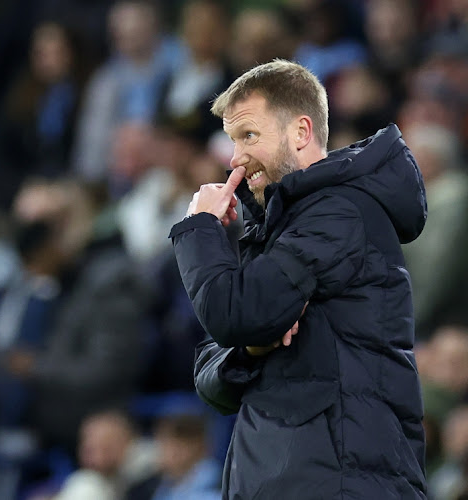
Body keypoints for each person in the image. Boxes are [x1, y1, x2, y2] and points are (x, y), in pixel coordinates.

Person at [169, 60, 428, 498]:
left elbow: (233, 315)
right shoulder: (285, 227)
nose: (235, 158)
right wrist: (252, 348)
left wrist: (200, 228)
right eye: (233, 141)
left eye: (249, 135)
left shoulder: (339, 212)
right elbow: (211, 378)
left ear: (302, 132)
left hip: (341, 482)